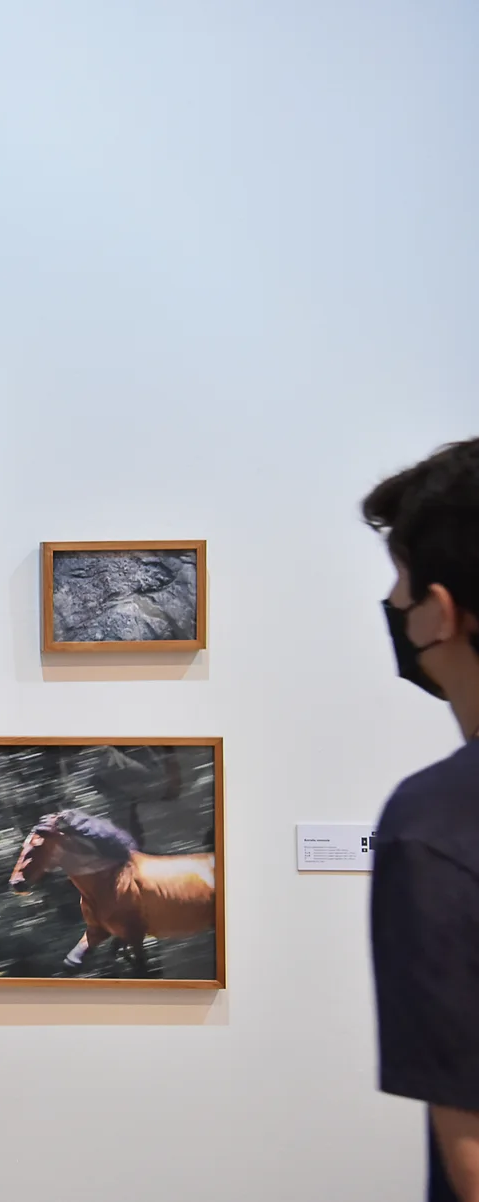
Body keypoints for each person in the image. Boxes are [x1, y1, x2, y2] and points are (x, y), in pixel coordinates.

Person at [366, 437, 479, 1202]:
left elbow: (472, 1136)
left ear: (439, 613)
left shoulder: (436, 821)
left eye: (401, 584)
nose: (396, 608)